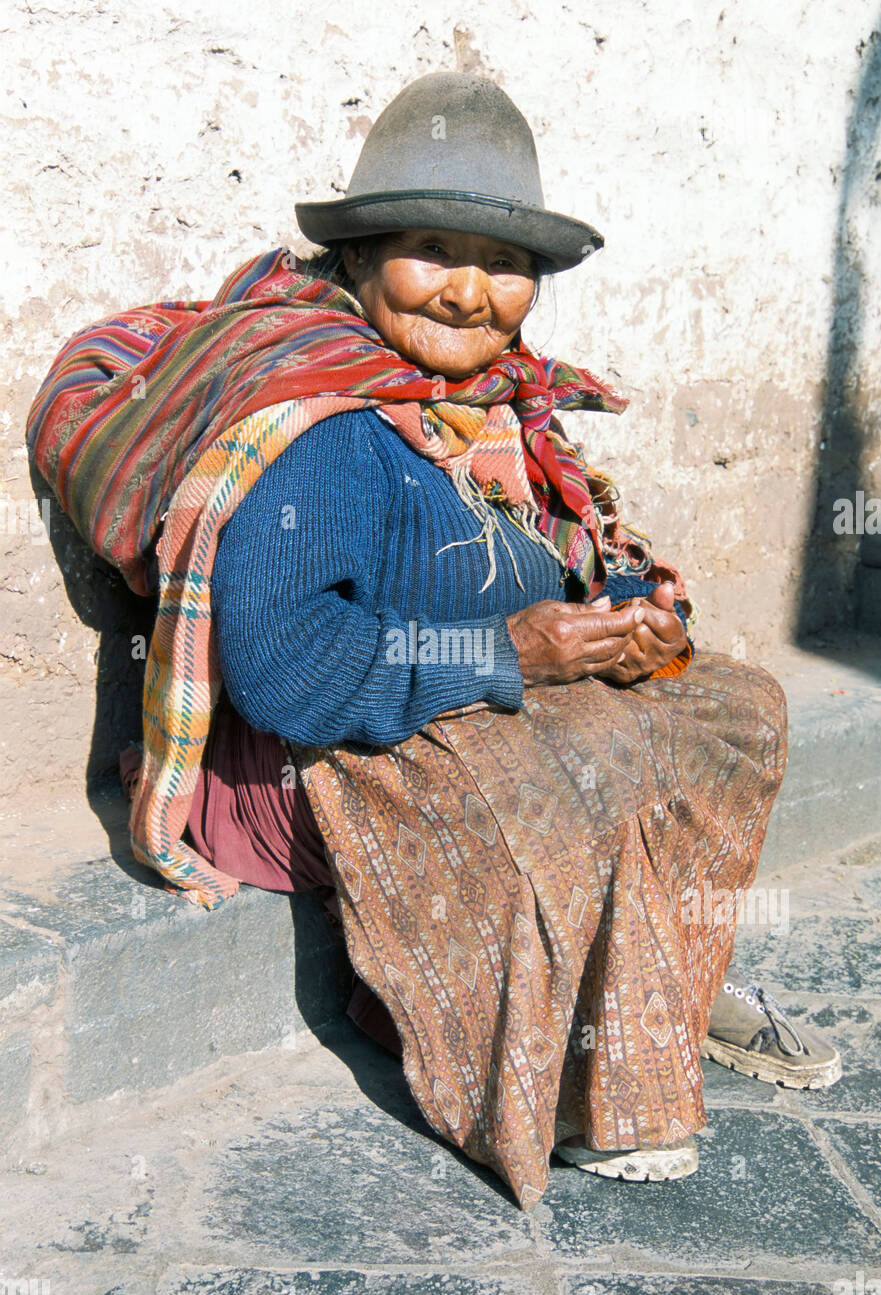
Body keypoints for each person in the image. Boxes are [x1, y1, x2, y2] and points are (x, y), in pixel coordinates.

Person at [30, 71, 840, 1212]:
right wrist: (515, 658)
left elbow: (552, 553)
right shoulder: (318, 424)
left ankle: (651, 977)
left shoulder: (495, 405)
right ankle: (569, 1076)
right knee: (577, 755)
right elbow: (289, 673)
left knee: (733, 705)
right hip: (308, 764)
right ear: (359, 262)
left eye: (502, 264)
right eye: (426, 249)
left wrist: (626, 609)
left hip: (460, 712)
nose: (468, 291)